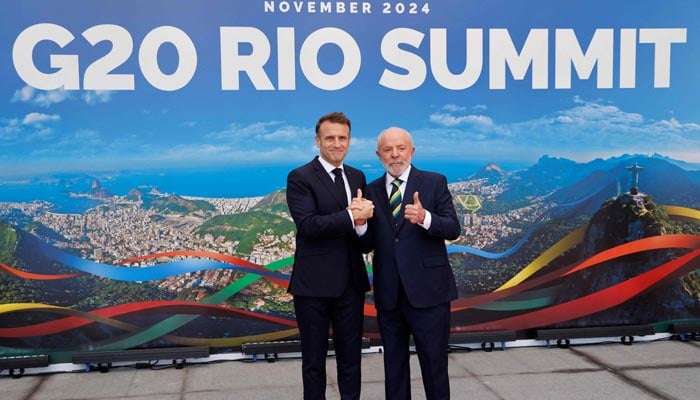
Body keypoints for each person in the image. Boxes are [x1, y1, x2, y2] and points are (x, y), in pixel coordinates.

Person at [355, 126, 460, 400]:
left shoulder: (434, 182)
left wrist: (426, 218)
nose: (395, 155)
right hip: (390, 296)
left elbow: (452, 228)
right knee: (394, 367)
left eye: (400, 148)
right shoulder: (371, 190)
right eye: (388, 150)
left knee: (435, 366)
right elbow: (366, 245)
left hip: (430, 294)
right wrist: (360, 224)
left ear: (411, 151)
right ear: (379, 155)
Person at [286, 111, 374, 400]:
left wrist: (361, 225)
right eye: (330, 138)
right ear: (317, 141)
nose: (337, 143)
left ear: (349, 140)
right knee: (314, 362)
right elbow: (309, 226)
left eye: (342, 138)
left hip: (350, 284)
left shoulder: (357, 176)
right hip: (313, 286)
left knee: (351, 360)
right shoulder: (300, 177)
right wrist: (352, 216)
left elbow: (364, 239)